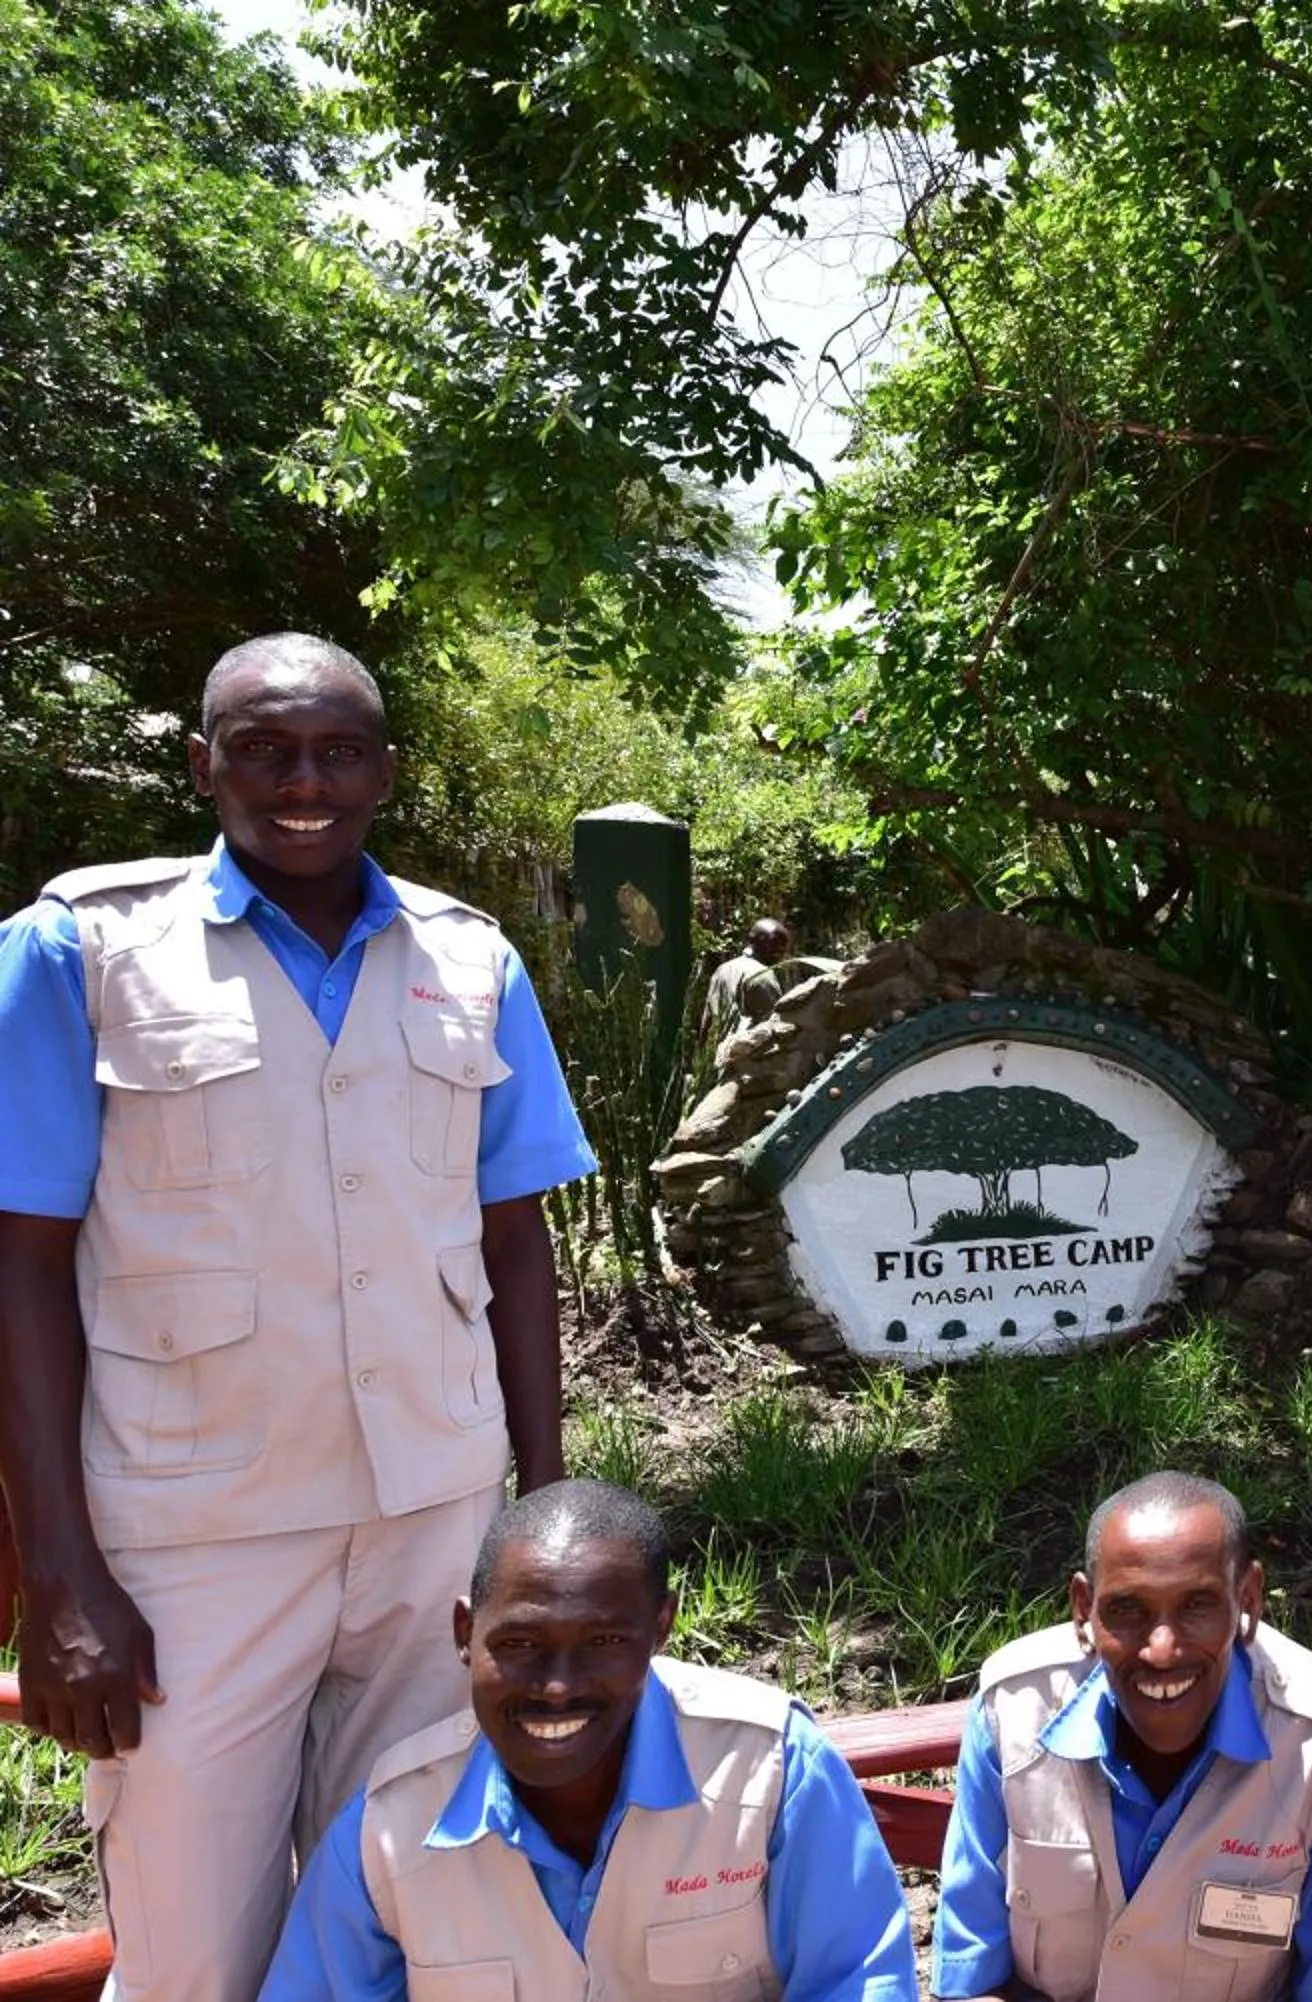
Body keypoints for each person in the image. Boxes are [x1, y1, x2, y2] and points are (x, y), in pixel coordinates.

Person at [0, 632, 594, 2002]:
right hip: (188, 1538)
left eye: (337, 750)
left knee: (408, 1917)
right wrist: (56, 1573)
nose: (303, 781)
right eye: (263, 750)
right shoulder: (81, 949)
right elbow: (20, 1265)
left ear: (386, 770)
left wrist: (545, 1515)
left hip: (430, 1526)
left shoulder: (470, 955)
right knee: (191, 1946)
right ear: (202, 764)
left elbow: (517, 1240)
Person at [258, 1478, 919, 2000]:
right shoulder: (387, 1833)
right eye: (519, 1644)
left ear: (660, 1629)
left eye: (604, 1642)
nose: (556, 1687)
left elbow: (858, 1982)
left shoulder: (769, 1769)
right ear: (465, 1634)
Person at [933, 1471, 1312, 2000]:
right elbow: (972, 1979)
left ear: (1247, 1599)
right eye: (1127, 1609)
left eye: (1197, 1606)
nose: (1161, 1650)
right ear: (1084, 1609)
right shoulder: (1013, 1711)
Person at [703, 917, 795, 1029]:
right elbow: (774, 1025)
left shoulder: (723, 969)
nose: (781, 950)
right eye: (776, 943)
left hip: (718, 1044)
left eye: (784, 945)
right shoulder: (762, 976)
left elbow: (708, 1017)